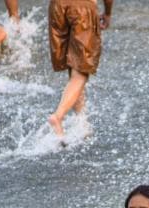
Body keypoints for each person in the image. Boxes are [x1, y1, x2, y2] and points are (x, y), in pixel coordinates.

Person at [47, 0, 113, 138]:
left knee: (74, 66)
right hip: (83, 8)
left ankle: (81, 123)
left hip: (57, 6)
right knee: (81, 72)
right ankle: (58, 116)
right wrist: (107, 13)